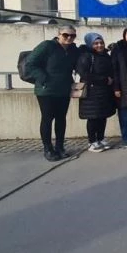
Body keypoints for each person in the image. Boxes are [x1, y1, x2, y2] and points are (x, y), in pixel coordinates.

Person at [24, 24, 81, 161]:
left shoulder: (72, 49)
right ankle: (48, 148)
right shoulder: (47, 46)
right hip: (46, 90)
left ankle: (60, 147)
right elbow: (30, 63)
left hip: (63, 89)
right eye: (65, 35)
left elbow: (81, 57)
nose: (69, 38)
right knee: (47, 118)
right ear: (59, 34)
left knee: (61, 119)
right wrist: (43, 78)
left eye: (72, 36)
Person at [77, 33, 117, 152]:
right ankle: (92, 141)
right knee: (93, 118)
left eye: (101, 43)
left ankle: (100, 138)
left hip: (104, 91)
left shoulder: (106, 56)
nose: (99, 45)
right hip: (91, 92)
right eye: (96, 43)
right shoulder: (86, 56)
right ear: (90, 44)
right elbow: (84, 74)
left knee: (102, 116)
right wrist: (104, 79)